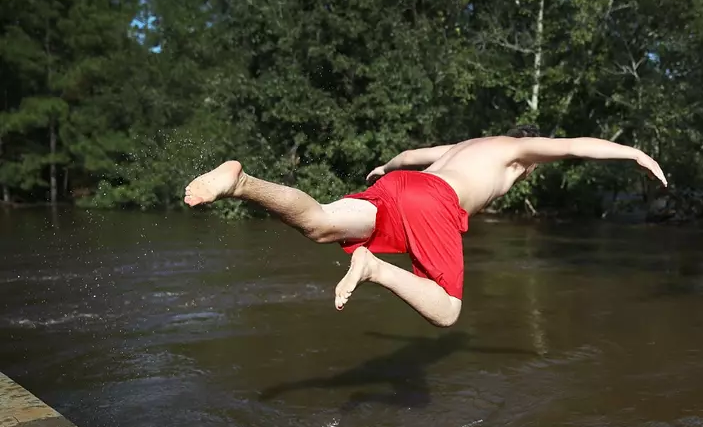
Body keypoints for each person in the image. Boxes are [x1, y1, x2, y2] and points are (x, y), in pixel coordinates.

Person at [183, 126, 667, 327]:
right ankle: (374, 269)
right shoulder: (515, 151)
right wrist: (634, 153)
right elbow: (574, 146)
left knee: (320, 223)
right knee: (448, 311)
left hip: (402, 185)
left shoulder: (466, 145)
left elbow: (411, 157)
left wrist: (381, 170)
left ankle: (241, 183)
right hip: (434, 201)